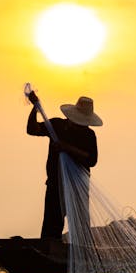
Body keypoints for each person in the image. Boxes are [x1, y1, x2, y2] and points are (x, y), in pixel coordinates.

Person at [26, 92, 103, 239]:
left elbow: (92, 160)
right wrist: (36, 107)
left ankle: (81, 254)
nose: (82, 125)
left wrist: (66, 148)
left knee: (80, 226)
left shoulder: (89, 135)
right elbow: (32, 130)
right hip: (55, 184)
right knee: (51, 226)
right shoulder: (56, 126)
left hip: (77, 186)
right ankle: (52, 252)